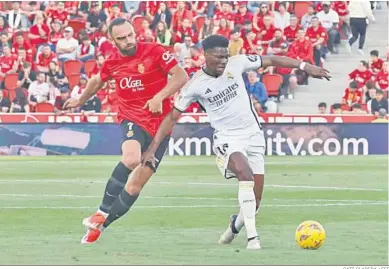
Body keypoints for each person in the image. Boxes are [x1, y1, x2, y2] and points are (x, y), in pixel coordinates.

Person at [141, 35, 330, 250]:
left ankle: (234, 227)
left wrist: (305, 66)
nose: (223, 61)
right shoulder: (195, 85)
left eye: (226, 56)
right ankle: (253, 239)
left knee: (255, 202)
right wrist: (152, 149)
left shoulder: (237, 63)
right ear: (206, 56)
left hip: (253, 136)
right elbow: (172, 118)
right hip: (227, 139)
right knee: (244, 173)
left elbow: (272, 60)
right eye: (219, 57)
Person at [63, 18, 189, 244]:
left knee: (134, 185)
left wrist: (160, 96)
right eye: (121, 38)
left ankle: (101, 225)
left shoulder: (155, 51)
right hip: (132, 118)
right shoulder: (112, 63)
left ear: (135, 32)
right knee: (131, 159)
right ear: (113, 41)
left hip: (160, 127)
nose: (128, 40)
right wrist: (80, 99)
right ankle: (101, 211)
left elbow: (181, 76)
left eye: (130, 35)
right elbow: (96, 82)